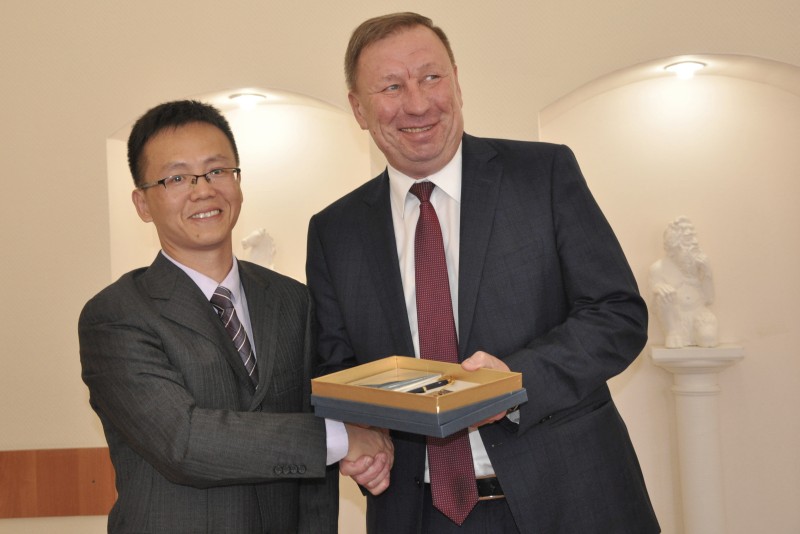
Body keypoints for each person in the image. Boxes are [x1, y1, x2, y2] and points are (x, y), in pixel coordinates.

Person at [306, 12, 660, 533]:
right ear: (359, 108)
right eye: (391, 86)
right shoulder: (334, 231)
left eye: (431, 77)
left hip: (572, 499)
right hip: (418, 515)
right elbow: (338, 370)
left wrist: (513, 382)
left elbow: (617, 315)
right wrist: (361, 437)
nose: (418, 104)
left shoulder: (543, 174)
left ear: (457, 81)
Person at [79, 100, 392, 533]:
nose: (203, 190)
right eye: (177, 178)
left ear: (238, 181)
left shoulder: (294, 301)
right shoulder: (116, 316)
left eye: (217, 170)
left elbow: (313, 474)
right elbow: (184, 441)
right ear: (143, 203)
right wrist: (341, 439)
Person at [649, 216, 718, 348]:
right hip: (674, 318)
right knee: (665, 294)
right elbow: (653, 306)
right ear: (673, 247)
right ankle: (673, 332)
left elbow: (709, 298)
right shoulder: (658, 268)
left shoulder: (699, 264)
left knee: (708, 338)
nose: (691, 251)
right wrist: (657, 289)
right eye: (686, 245)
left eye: (693, 246)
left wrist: (707, 273)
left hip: (699, 313)